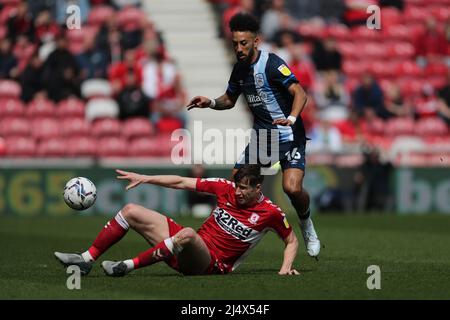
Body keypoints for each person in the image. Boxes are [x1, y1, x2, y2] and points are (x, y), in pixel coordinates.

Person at [186, 13, 321, 258]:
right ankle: (242, 232)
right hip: (263, 138)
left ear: (256, 41)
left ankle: (306, 224)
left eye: (244, 43)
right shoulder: (239, 69)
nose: (239, 48)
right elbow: (228, 100)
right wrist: (210, 102)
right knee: (238, 179)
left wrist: (290, 119)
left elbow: (300, 93)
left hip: (289, 135)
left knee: (291, 188)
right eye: (235, 43)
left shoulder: (272, 63)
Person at [54, 165, 300, 276]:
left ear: (258, 188)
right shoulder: (225, 188)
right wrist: (145, 178)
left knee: (189, 234)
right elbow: (181, 182)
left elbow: (291, 241)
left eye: (245, 189)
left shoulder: (271, 212)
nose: (237, 192)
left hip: (211, 264)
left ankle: (126, 266)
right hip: (186, 246)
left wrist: (285, 267)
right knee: (131, 210)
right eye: (237, 186)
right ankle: (86, 260)